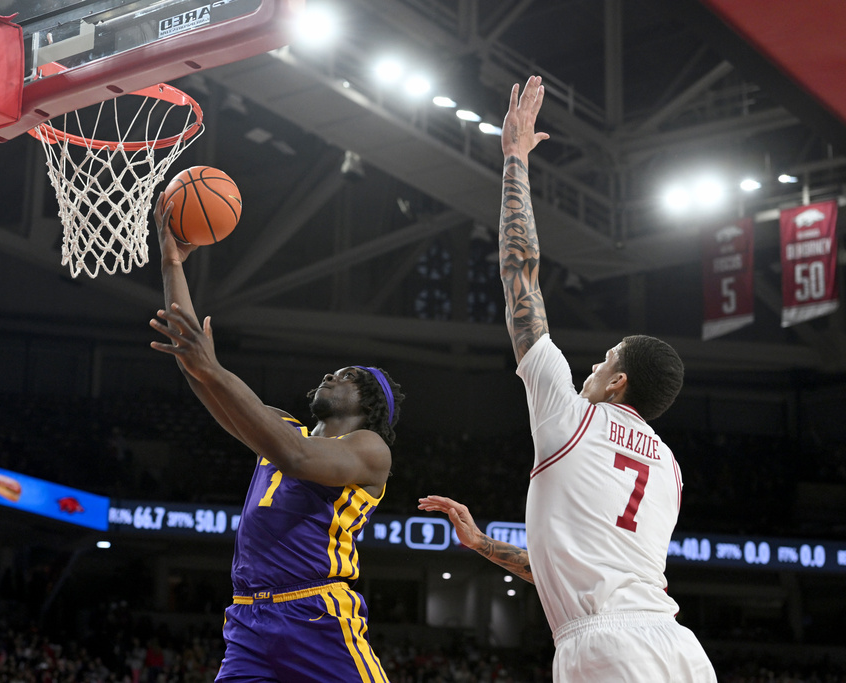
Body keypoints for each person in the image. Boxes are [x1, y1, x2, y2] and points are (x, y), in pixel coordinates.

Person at [421, 76, 716, 682]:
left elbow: (519, 273)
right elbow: (578, 566)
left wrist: (513, 161)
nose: (590, 366)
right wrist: (482, 545)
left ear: (618, 383)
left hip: (607, 651)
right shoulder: (670, 470)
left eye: (603, 360)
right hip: (679, 650)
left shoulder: (570, 414)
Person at [148, 202, 404, 683]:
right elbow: (199, 371)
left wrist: (214, 368)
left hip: (316, 614)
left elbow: (296, 457)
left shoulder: (370, 450)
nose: (330, 374)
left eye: (345, 377)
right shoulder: (283, 427)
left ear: (368, 404)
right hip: (249, 618)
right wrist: (172, 265)